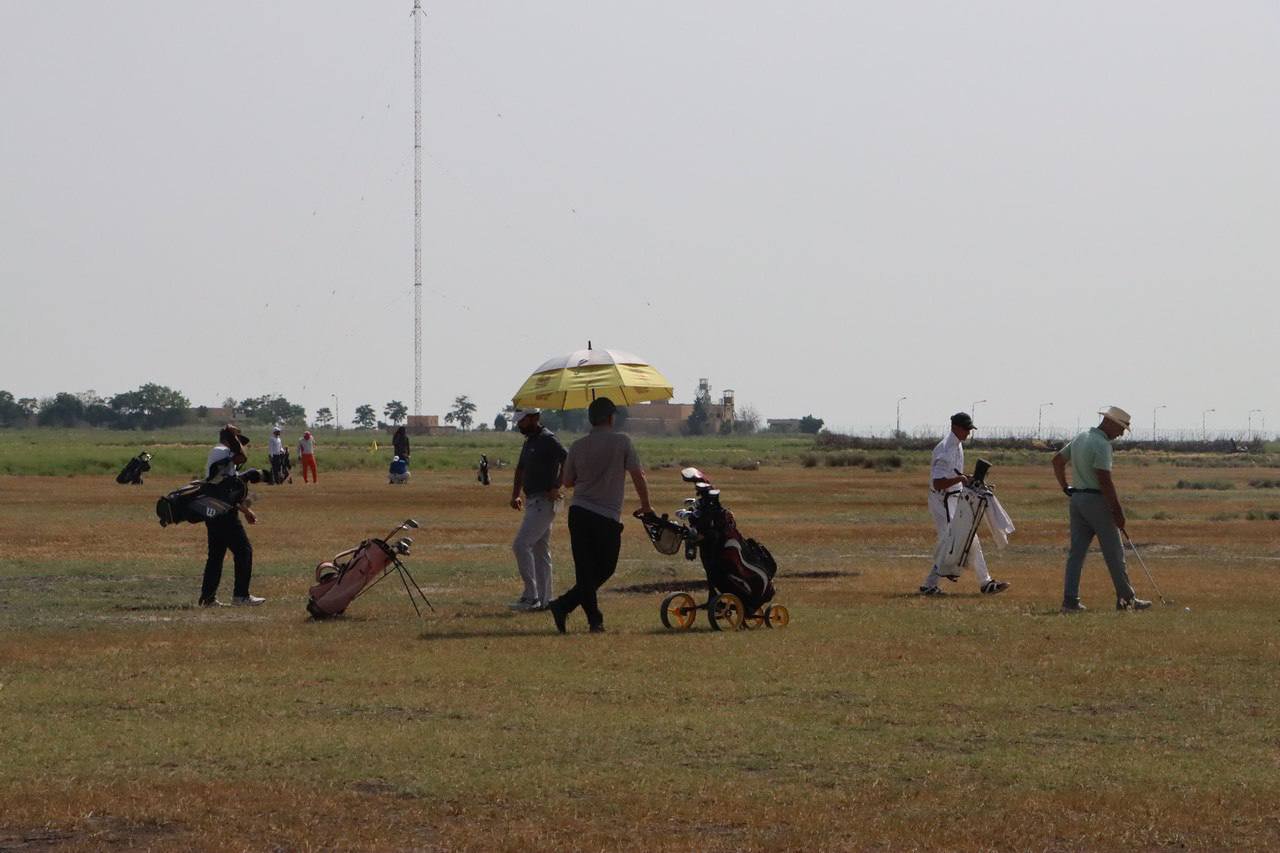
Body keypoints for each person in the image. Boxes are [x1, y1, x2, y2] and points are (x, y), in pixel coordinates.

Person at [546, 397, 653, 633]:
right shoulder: (623, 442)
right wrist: (646, 505)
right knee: (605, 568)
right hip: (607, 515)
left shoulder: (577, 445)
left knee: (585, 569)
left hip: (580, 512)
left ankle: (569, 608)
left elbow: (567, 481)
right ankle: (588, 617)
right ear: (610, 418)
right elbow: (637, 475)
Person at [1052, 406, 1151, 613]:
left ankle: (1070, 602)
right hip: (1096, 501)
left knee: (1076, 554)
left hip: (1077, 500)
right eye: (1121, 428)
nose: (1122, 433)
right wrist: (1117, 511)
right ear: (1110, 422)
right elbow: (1104, 480)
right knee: (1114, 553)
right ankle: (1126, 599)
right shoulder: (1102, 444)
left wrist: (1065, 487)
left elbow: (1057, 461)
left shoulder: (1081, 437)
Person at [919, 412, 1009, 596]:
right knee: (953, 542)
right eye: (966, 429)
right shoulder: (945, 449)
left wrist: (965, 479)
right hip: (942, 501)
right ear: (956, 427)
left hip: (954, 498)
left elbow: (952, 476)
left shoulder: (957, 446)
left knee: (965, 539)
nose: (969, 433)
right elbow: (938, 483)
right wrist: (960, 478)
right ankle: (933, 584)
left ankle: (985, 582)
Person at [508, 408, 567, 611]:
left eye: (522, 421)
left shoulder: (549, 439)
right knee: (540, 550)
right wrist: (516, 494)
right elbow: (520, 469)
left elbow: (567, 460)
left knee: (521, 545)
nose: (519, 425)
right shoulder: (530, 441)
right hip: (532, 500)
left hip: (544, 501)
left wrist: (557, 486)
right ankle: (545, 600)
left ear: (535, 418)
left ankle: (530, 596)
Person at [200, 424, 265, 607]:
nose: (240, 443)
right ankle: (241, 596)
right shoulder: (221, 451)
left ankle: (208, 598)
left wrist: (245, 510)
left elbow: (227, 489)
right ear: (230, 439)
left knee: (216, 555)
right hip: (222, 511)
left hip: (214, 508)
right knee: (244, 551)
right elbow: (226, 486)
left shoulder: (221, 454)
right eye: (237, 439)